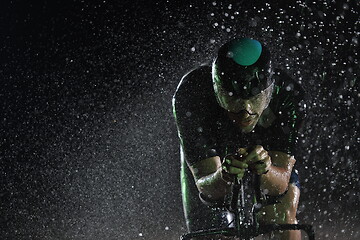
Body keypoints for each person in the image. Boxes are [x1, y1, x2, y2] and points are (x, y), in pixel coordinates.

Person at [172, 38, 306, 239]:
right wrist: (224, 176)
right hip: (215, 144)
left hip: (264, 147)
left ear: (269, 92)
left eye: (255, 98)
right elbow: (208, 189)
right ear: (217, 89)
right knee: (207, 230)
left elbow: (278, 186)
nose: (245, 111)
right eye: (233, 99)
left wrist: (267, 170)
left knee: (282, 216)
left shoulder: (288, 96)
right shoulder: (192, 93)